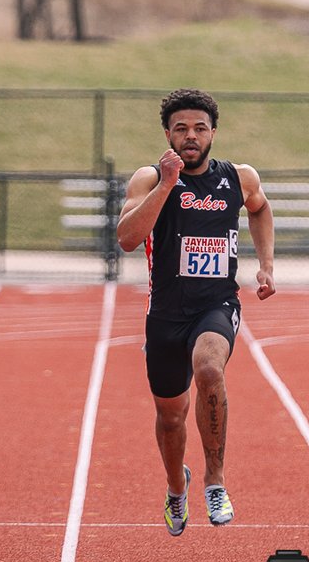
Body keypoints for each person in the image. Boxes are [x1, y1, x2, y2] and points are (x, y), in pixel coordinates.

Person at [117, 88, 276, 536]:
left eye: (200, 128)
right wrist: (167, 185)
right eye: (181, 128)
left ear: (213, 133)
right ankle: (176, 487)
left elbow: (261, 208)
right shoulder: (149, 179)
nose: (191, 136)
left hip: (216, 304)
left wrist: (266, 265)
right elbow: (127, 238)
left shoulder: (238, 178)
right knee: (171, 417)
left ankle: (215, 482)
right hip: (166, 314)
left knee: (209, 367)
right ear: (167, 134)